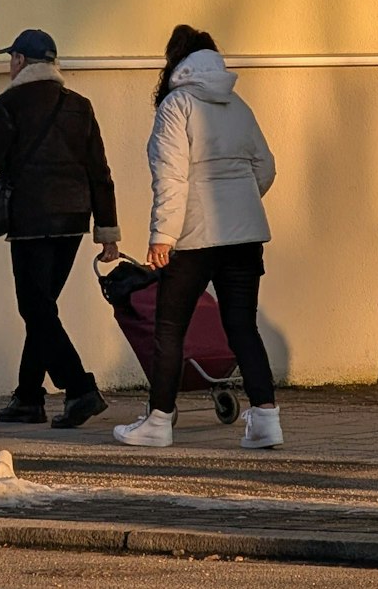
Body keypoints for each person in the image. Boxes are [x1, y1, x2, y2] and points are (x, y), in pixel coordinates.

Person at [0, 29, 121, 428]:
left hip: (32, 221)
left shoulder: (9, 105)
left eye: (11, 58)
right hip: (72, 221)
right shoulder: (79, 107)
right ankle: (28, 398)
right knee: (42, 310)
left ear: (20, 61)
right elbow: (100, 173)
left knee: (35, 310)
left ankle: (80, 388)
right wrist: (107, 231)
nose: (9, 65)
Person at [115, 26, 282, 450]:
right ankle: (265, 420)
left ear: (176, 62)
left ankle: (158, 421)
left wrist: (162, 236)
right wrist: (239, 206)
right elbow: (265, 167)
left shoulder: (177, 105)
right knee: (243, 325)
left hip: (192, 238)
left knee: (169, 327)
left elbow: (170, 176)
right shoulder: (238, 105)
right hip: (244, 238)